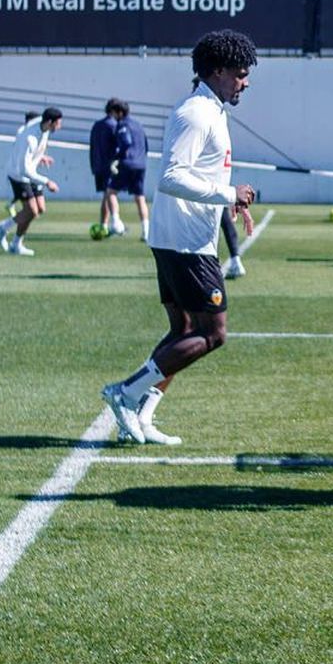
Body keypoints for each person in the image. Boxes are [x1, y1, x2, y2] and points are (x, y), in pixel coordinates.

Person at [100, 30, 259, 446]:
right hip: (185, 243)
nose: (245, 82)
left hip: (180, 237)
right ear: (218, 71)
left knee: (183, 330)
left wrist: (229, 201)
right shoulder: (196, 113)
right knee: (213, 334)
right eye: (240, 74)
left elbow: (199, 174)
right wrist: (229, 193)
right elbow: (171, 177)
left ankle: (142, 414)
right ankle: (126, 392)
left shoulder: (212, 110)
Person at [0, 107, 62, 257]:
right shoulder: (30, 138)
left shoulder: (43, 125)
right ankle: (2, 228)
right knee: (31, 211)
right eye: (58, 123)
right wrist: (47, 182)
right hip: (19, 175)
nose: (60, 126)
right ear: (50, 122)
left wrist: (41, 156)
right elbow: (24, 170)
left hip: (31, 172)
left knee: (40, 209)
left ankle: (16, 244)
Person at [106, 100, 151, 238]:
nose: (113, 116)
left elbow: (126, 142)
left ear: (119, 112)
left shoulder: (122, 125)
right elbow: (146, 146)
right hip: (141, 164)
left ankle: (116, 224)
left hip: (127, 163)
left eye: (113, 113)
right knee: (140, 197)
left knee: (111, 192)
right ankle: (146, 231)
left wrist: (116, 157)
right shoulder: (138, 125)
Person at [89, 100, 120, 235]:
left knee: (106, 195)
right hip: (110, 166)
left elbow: (92, 146)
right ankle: (116, 224)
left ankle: (104, 225)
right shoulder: (114, 125)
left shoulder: (97, 125)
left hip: (98, 165)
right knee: (110, 194)